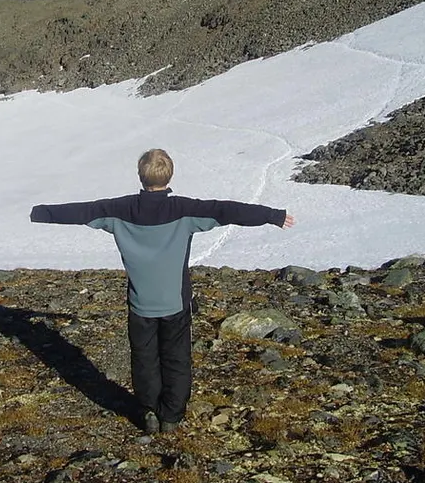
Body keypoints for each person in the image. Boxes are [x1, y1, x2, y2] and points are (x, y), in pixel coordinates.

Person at [29, 148, 295, 433]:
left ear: (140, 176)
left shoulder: (119, 211)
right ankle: (171, 416)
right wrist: (272, 215)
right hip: (176, 305)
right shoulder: (184, 210)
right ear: (170, 175)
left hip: (140, 304)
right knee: (177, 359)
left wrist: (42, 212)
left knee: (144, 360)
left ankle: (149, 411)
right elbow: (225, 210)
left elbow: (84, 211)